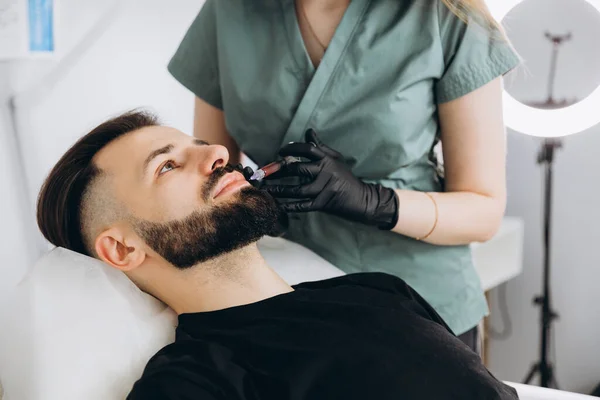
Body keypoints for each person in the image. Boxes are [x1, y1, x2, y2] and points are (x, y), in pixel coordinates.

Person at [35, 111, 519, 399]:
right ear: (122, 248)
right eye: (167, 166)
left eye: (200, 145)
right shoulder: (195, 380)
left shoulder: (375, 288)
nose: (218, 153)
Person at [166, 0, 521, 352]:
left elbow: (483, 210)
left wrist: (374, 202)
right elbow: (211, 175)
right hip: (285, 302)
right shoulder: (229, 11)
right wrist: (248, 204)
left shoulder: (445, 15)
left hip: (420, 308)